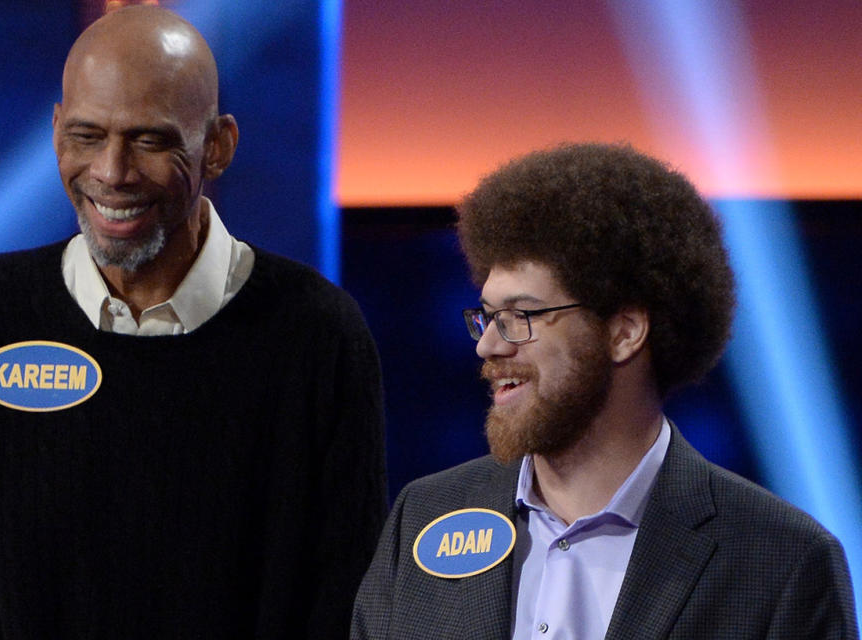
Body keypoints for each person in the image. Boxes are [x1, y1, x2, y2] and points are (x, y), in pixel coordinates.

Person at [0, 6, 386, 638]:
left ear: (218, 146)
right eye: (86, 135)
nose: (111, 172)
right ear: (54, 133)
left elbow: (347, 603)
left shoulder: (319, 335)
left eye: (149, 140)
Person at [351, 143, 858, 639]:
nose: (487, 346)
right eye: (486, 316)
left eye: (520, 317)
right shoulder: (425, 518)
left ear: (624, 332)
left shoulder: (781, 561)